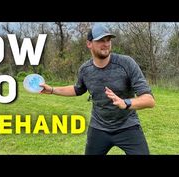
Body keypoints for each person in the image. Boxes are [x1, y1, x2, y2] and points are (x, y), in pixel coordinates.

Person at [40, 23, 155, 155]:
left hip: (127, 127)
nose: (106, 44)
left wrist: (126, 103)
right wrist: (52, 90)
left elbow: (149, 100)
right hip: (99, 128)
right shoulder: (85, 70)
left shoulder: (126, 63)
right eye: (100, 40)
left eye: (108, 40)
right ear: (89, 44)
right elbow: (78, 89)